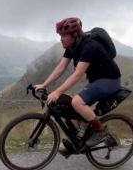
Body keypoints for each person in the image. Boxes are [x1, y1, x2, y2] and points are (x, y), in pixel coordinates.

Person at [34, 17, 121, 155]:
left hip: (110, 81)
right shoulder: (72, 46)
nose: (61, 39)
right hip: (96, 81)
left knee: (77, 102)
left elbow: (77, 74)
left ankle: (100, 131)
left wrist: (57, 92)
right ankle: (79, 143)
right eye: (60, 36)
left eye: (63, 36)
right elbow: (61, 67)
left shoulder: (89, 46)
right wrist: (44, 84)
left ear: (74, 35)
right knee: (72, 109)